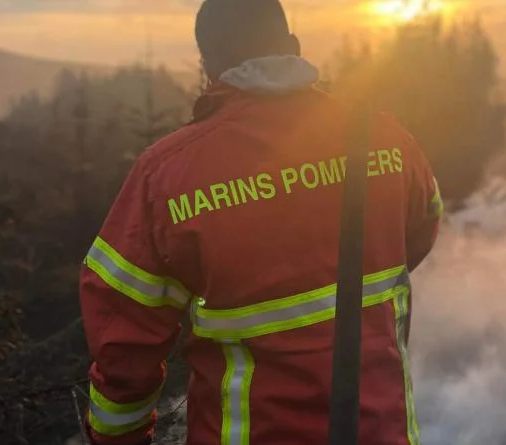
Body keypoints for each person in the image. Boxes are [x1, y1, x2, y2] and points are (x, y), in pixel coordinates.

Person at [78, 0, 443, 444]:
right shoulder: (387, 142)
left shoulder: (167, 176)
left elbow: (124, 341)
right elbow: (419, 233)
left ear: (207, 63)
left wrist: (116, 440)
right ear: (293, 47)